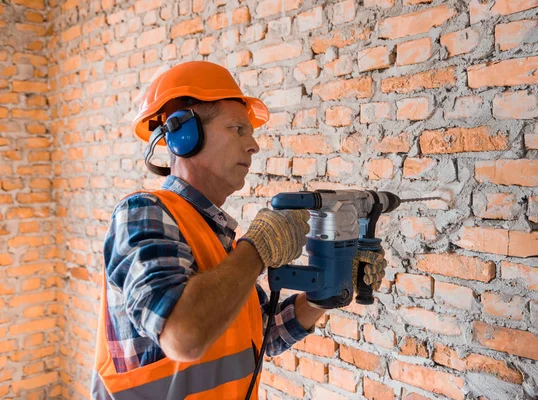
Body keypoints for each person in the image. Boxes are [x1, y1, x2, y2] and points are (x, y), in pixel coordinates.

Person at [91, 61, 388, 399]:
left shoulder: (219, 240)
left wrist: (329, 289)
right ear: (184, 135)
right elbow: (183, 334)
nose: (254, 146)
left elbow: (264, 335)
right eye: (238, 129)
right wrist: (258, 249)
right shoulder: (143, 214)